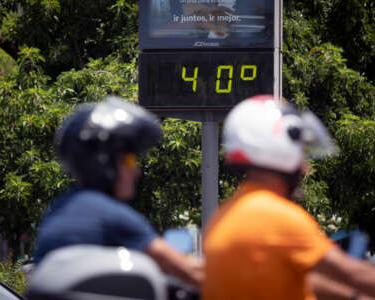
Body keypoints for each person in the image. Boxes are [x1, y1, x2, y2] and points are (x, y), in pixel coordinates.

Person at [202, 94, 375, 300]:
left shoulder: (225, 214)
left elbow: (298, 279)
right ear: (279, 148)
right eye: (301, 153)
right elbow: (352, 274)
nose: (306, 168)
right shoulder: (278, 218)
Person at [33, 96, 203, 287]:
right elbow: (190, 271)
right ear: (103, 162)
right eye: (129, 161)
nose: (136, 171)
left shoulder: (59, 208)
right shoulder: (110, 216)